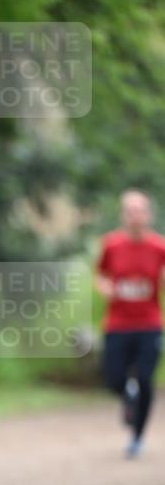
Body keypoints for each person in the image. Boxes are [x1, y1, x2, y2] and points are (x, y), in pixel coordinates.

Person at [96, 189, 165, 458]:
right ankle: (127, 395)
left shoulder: (160, 247)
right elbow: (100, 274)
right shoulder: (111, 245)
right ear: (123, 215)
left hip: (149, 323)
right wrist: (105, 288)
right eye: (130, 210)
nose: (135, 216)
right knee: (113, 378)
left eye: (140, 210)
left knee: (145, 379)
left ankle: (136, 437)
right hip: (117, 323)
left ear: (148, 214)